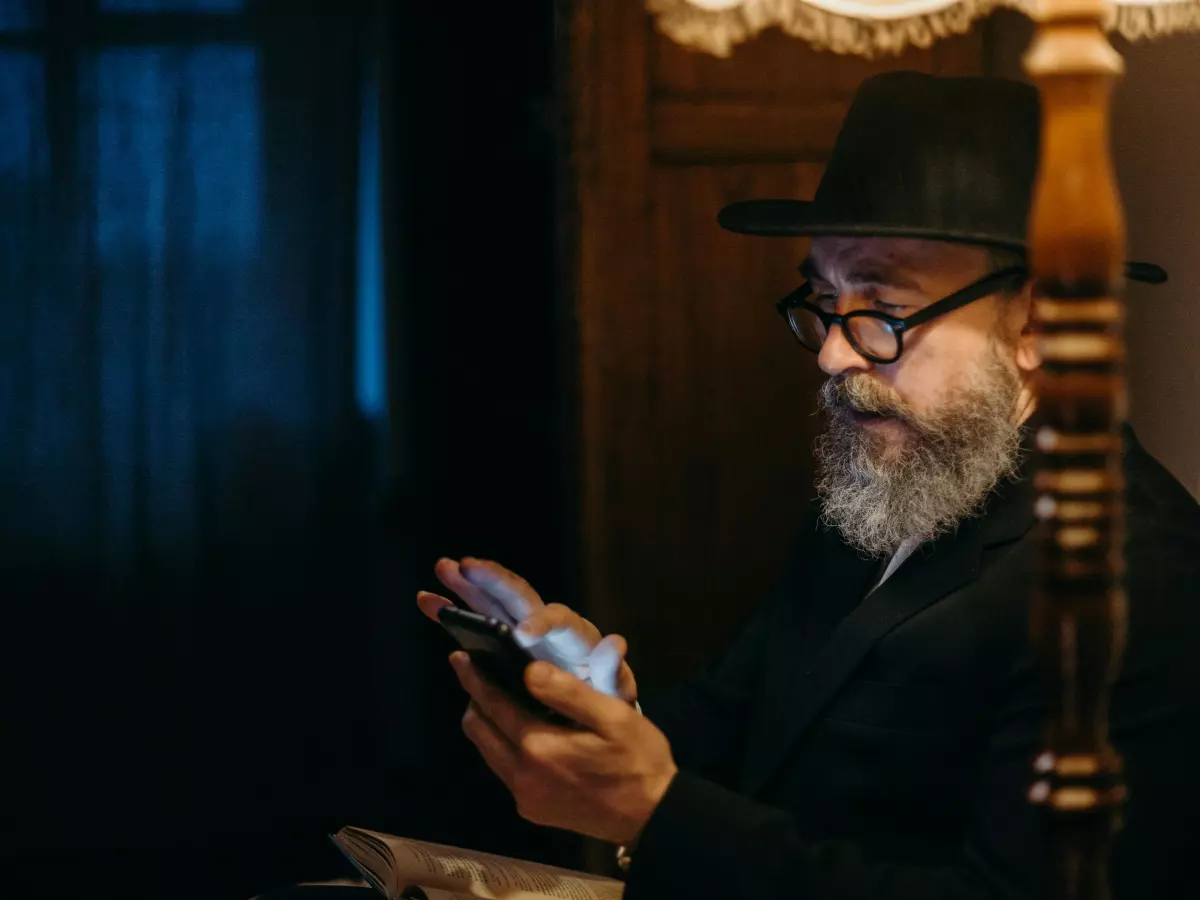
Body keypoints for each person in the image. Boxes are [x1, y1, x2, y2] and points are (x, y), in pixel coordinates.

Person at [416, 72, 1200, 899]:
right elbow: (744, 733)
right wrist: (604, 719)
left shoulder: (1132, 582)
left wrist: (655, 814)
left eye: (883, 310)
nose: (833, 354)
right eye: (825, 301)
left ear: (1041, 323)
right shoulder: (890, 487)